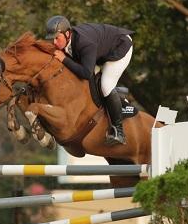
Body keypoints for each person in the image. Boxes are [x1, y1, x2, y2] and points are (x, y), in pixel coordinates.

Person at [45, 15, 134, 145]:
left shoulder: (84, 43)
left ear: (68, 34)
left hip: (119, 47)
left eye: (56, 38)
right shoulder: (68, 41)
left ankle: (119, 131)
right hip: (101, 50)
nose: (54, 43)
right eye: (52, 39)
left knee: (105, 85)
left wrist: (64, 59)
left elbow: (86, 73)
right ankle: (118, 94)